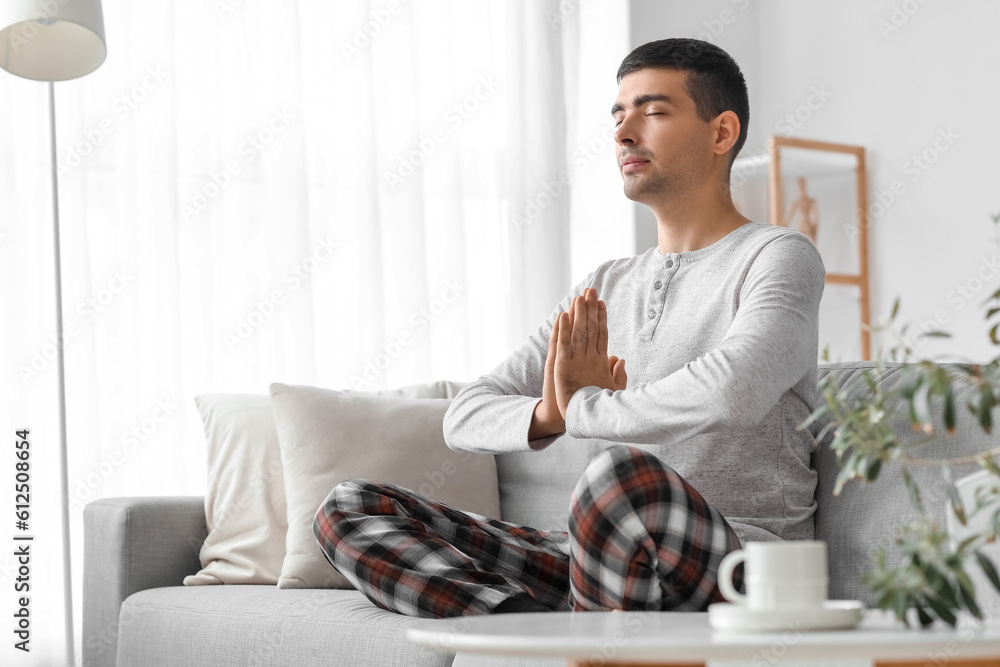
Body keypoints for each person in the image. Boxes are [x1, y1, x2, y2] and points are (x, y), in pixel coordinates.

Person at [313, 37, 825, 618]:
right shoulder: (605, 284)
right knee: (349, 506)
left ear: (721, 133)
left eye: (653, 112)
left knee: (620, 474)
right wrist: (551, 414)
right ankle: (529, 631)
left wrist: (584, 405)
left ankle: (582, 632)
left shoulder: (777, 256)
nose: (624, 133)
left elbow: (737, 389)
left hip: (734, 565)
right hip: (598, 558)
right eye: (618, 114)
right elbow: (466, 414)